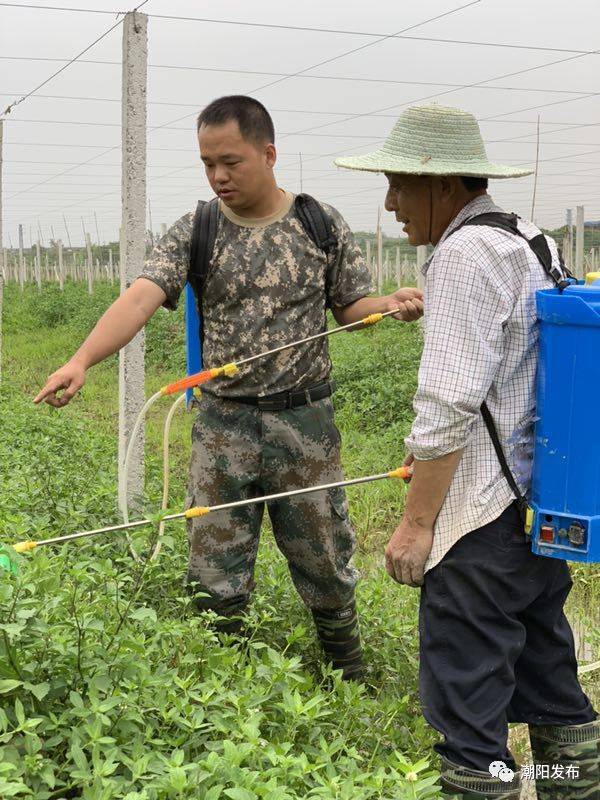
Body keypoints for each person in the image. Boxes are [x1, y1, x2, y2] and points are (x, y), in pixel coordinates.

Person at [35, 95, 423, 681]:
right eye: (207, 163)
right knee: (216, 559)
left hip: (306, 424)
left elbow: (350, 307)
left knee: (323, 552)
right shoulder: (199, 228)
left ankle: (347, 669)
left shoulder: (318, 223)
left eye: (231, 161)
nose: (218, 175)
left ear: (268, 154)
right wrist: (82, 359)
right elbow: (141, 297)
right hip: (224, 425)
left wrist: (387, 306)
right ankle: (221, 680)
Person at [336, 103, 598, 796]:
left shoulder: (462, 254)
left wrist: (418, 524)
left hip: (476, 524)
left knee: (471, 724)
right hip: (533, 514)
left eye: (399, 183)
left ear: (443, 184)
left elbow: (450, 401)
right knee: (553, 694)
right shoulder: (528, 240)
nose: (390, 202)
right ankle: (570, 783)